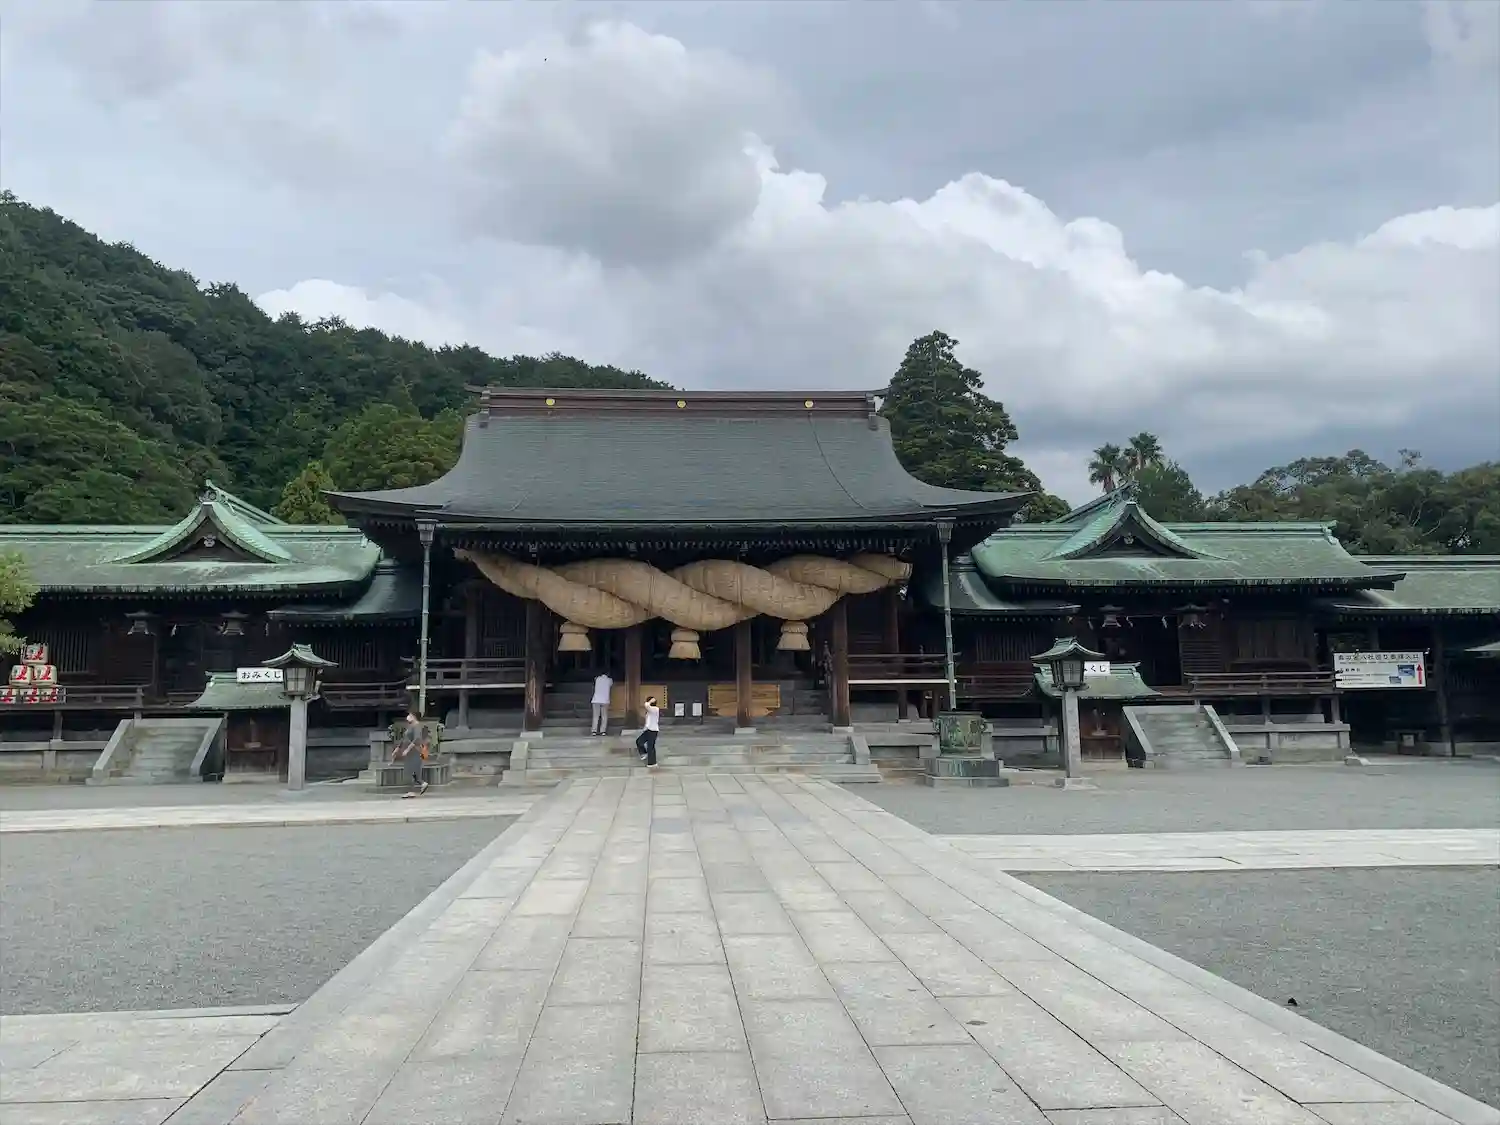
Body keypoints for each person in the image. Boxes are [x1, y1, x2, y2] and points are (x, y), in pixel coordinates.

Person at [392, 711, 429, 798]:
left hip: (414, 751)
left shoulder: (417, 726)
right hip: (410, 752)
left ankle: (413, 790)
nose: (407, 717)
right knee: (411, 771)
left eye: (409, 715)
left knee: (411, 771)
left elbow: (417, 739)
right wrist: (397, 749)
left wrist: (407, 750)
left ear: (414, 716)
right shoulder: (410, 726)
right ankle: (421, 784)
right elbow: (404, 739)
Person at [635, 695, 660, 769]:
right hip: (648, 730)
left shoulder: (655, 709)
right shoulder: (649, 711)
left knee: (650, 747)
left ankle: (652, 763)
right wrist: (644, 729)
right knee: (639, 741)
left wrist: (649, 701)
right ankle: (644, 753)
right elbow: (647, 722)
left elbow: (646, 705)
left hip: (653, 731)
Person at [591, 670, 613, 736]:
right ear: (608, 674)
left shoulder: (597, 679)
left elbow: (594, 682)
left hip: (596, 700)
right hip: (605, 700)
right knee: (604, 716)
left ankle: (594, 731)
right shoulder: (609, 680)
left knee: (595, 716)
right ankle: (603, 731)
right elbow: (611, 685)